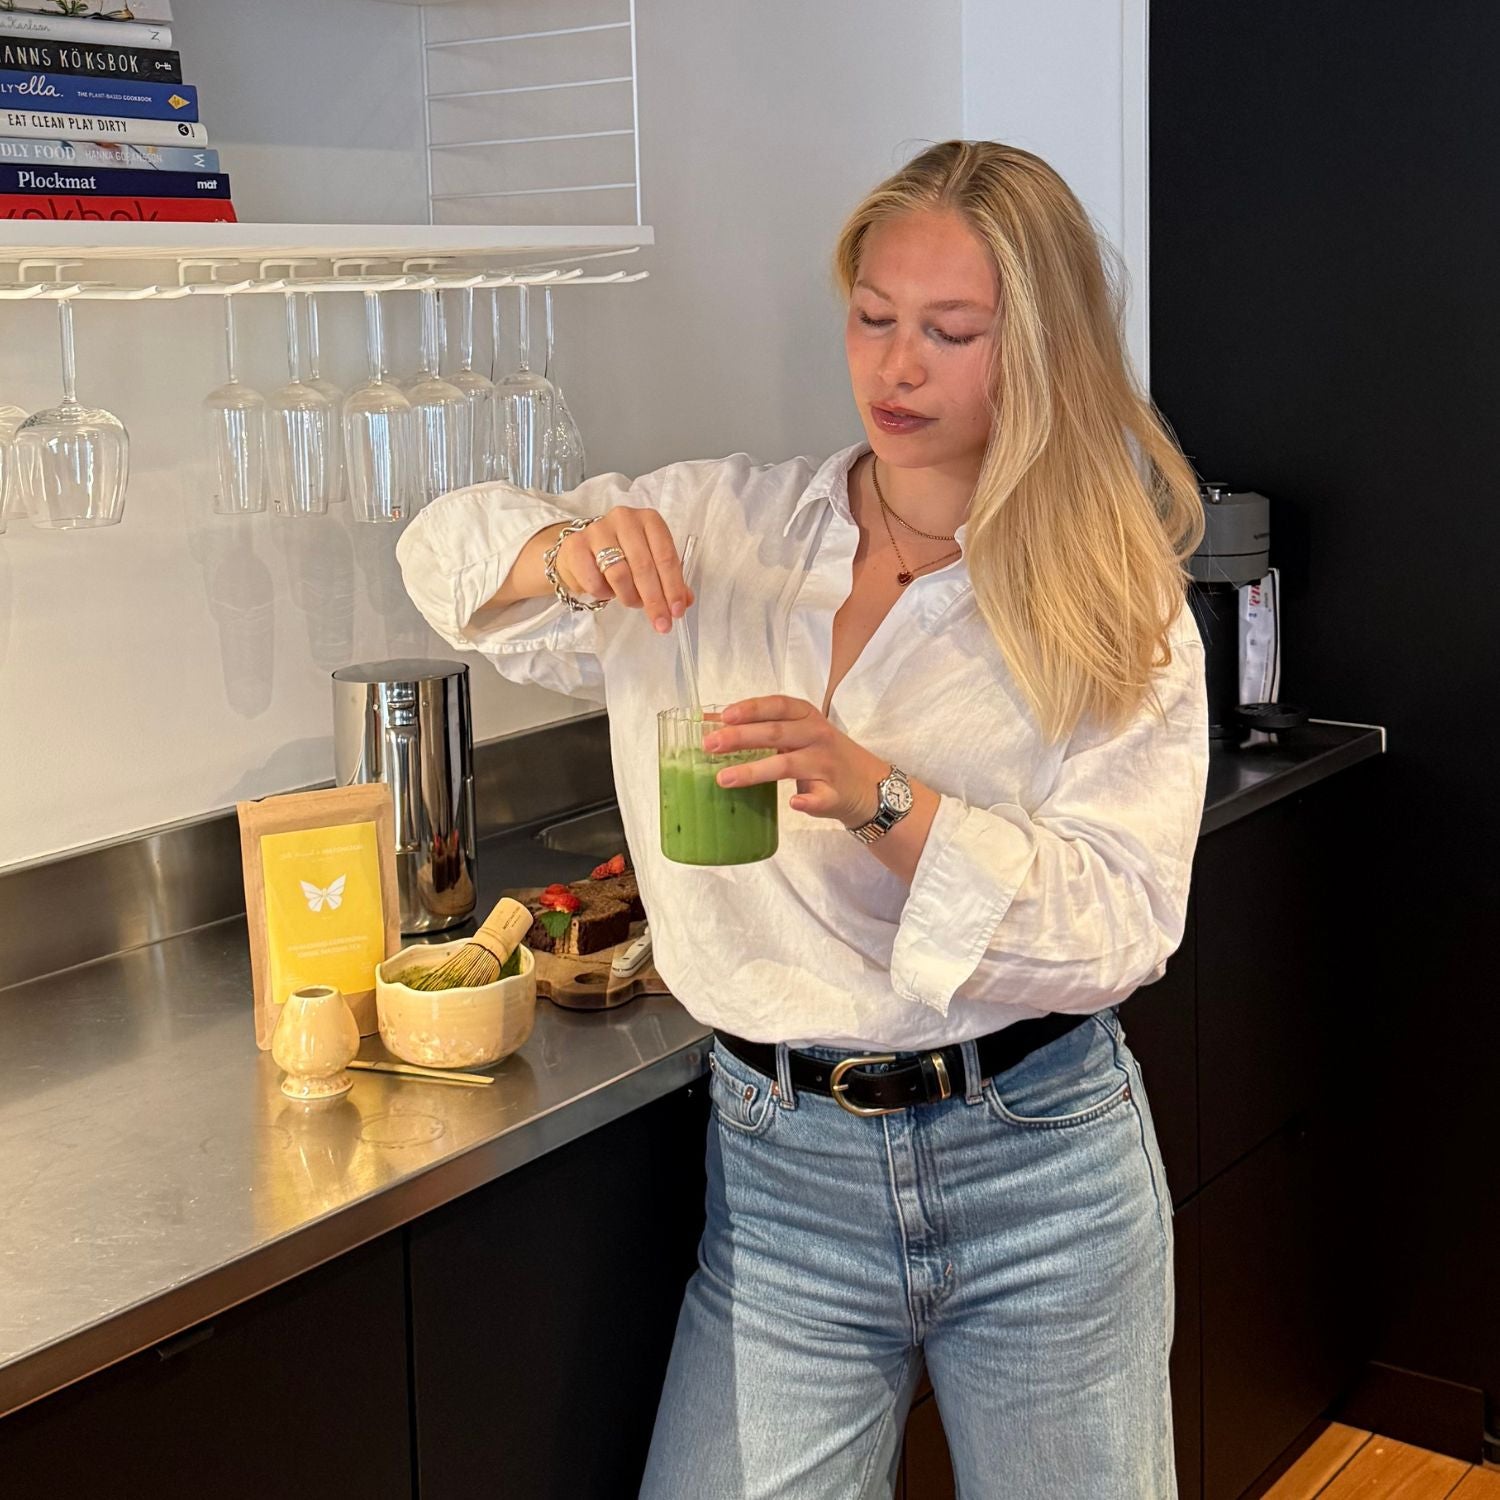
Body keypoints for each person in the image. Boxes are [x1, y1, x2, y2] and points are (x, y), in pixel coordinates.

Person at [398, 139, 1208, 1500]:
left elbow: (1126, 921)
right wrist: (564, 554)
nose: (898, 366)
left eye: (950, 331)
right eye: (874, 317)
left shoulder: (1112, 599)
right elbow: (444, 551)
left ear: (1041, 349)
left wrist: (886, 801)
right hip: (786, 1179)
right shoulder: (724, 532)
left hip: (1044, 1169)